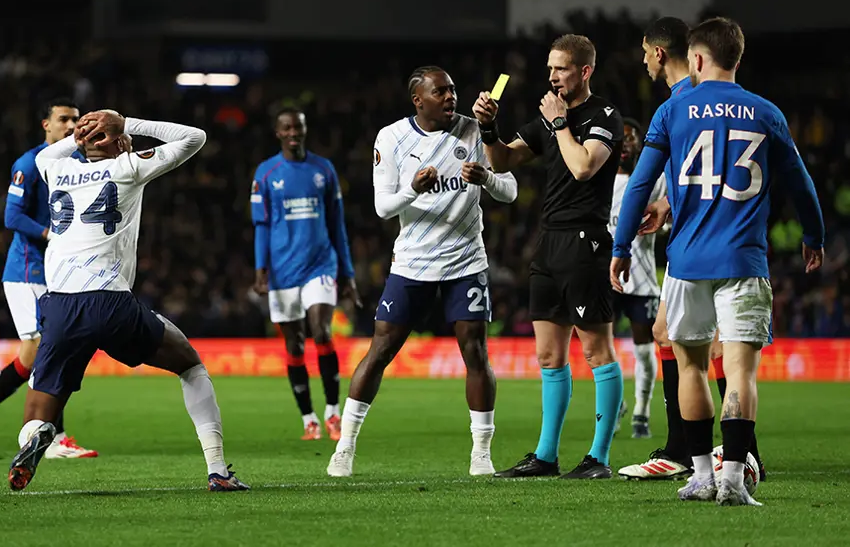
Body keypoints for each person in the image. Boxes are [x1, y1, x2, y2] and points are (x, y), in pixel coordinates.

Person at [611, 17, 824, 506]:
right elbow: (801, 183)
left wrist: (621, 248)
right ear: (737, 58)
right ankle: (733, 480)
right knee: (741, 372)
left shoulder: (673, 110)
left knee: (689, 367)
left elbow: (640, 186)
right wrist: (813, 235)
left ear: (699, 60)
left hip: (686, 262)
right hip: (745, 260)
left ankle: (702, 474)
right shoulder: (766, 112)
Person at [7, 110, 249, 493]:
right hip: (108, 302)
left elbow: (54, 152)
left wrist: (86, 136)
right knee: (190, 365)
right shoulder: (128, 166)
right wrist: (124, 121)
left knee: (39, 410)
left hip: (59, 306)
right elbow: (194, 136)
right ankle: (218, 470)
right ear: (118, 140)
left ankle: (37, 436)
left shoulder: (51, 166)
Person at [326, 66, 517, 478]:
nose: (451, 97)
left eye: (452, 90)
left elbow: (511, 189)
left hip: (466, 260)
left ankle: (481, 453)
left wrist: (485, 178)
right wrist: (412, 187)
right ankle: (345, 447)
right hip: (413, 262)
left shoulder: (475, 130)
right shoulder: (392, 137)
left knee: (476, 353)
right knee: (380, 350)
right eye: (441, 92)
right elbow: (382, 207)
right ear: (418, 100)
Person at [619, 18, 765, 481]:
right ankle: (694, 448)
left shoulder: (686, 102)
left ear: (661, 54)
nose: (642, 60)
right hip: (718, 240)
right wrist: (669, 205)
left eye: (645, 51)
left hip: (704, 248)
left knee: (705, 345)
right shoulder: (710, 97)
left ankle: (716, 453)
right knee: (671, 334)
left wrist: (625, 237)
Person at [476, 34, 625, 479]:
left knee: (597, 350)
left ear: (585, 71)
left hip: (587, 241)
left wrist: (560, 124)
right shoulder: (547, 117)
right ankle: (545, 456)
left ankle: (598, 457)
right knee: (548, 355)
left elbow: (583, 167)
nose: (552, 76)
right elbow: (501, 161)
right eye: (549, 68)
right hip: (550, 241)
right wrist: (488, 129)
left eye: (560, 69)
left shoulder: (605, 116)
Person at [0, 98, 97, 460]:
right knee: (48, 346)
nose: (71, 125)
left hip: (57, 271)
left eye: (76, 120)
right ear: (46, 125)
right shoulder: (29, 164)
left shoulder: (78, 163)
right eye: (64, 119)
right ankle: (55, 438)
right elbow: (12, 216)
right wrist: (50, 235)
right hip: (27, 270)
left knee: (44, 351)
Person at [251, 108, 361, 441]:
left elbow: (337, 224)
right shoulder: (266, 173)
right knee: (294, 344)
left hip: (320, 264)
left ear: (304, 129)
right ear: (278, 133)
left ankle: (332, 412)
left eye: (298, 126)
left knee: (321, 330)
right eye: (287, 128)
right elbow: (262, 226)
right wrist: (260, 270)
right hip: (283, 271)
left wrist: (348, 273)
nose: (293, 132)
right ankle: (308, 418)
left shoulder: (323, 169)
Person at [608, 117, 666, 440]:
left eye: (633, 139)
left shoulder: (653, 183)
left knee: (644, 351)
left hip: (642, 280)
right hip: (608, 276)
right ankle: (615, 403)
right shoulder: (599, 182)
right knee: (605, 346)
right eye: (623, 138)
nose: (627, 144)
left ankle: (642, 410)